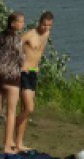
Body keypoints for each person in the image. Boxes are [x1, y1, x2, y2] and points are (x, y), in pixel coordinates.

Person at [15, 10, 54, 152]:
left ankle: (19, 143)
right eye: (44, 25)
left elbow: (38, 52)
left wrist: (36, 66)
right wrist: (20, 64)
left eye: (49, 26)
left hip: (33, 73)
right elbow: (13, 47)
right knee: (29, 108)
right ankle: (11, 125)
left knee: (26, 110)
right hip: (23, 73)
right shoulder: (30, 34)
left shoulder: (47, 34)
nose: (45, 28)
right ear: (39, 22)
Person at [1, 11, 25, 154]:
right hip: (12, 78)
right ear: (13, 24)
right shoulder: (17, 39)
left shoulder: (0, 36)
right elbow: (21, 59)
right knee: (11, 112)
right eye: (21, 22)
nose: (22, 24)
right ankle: (7, 146)